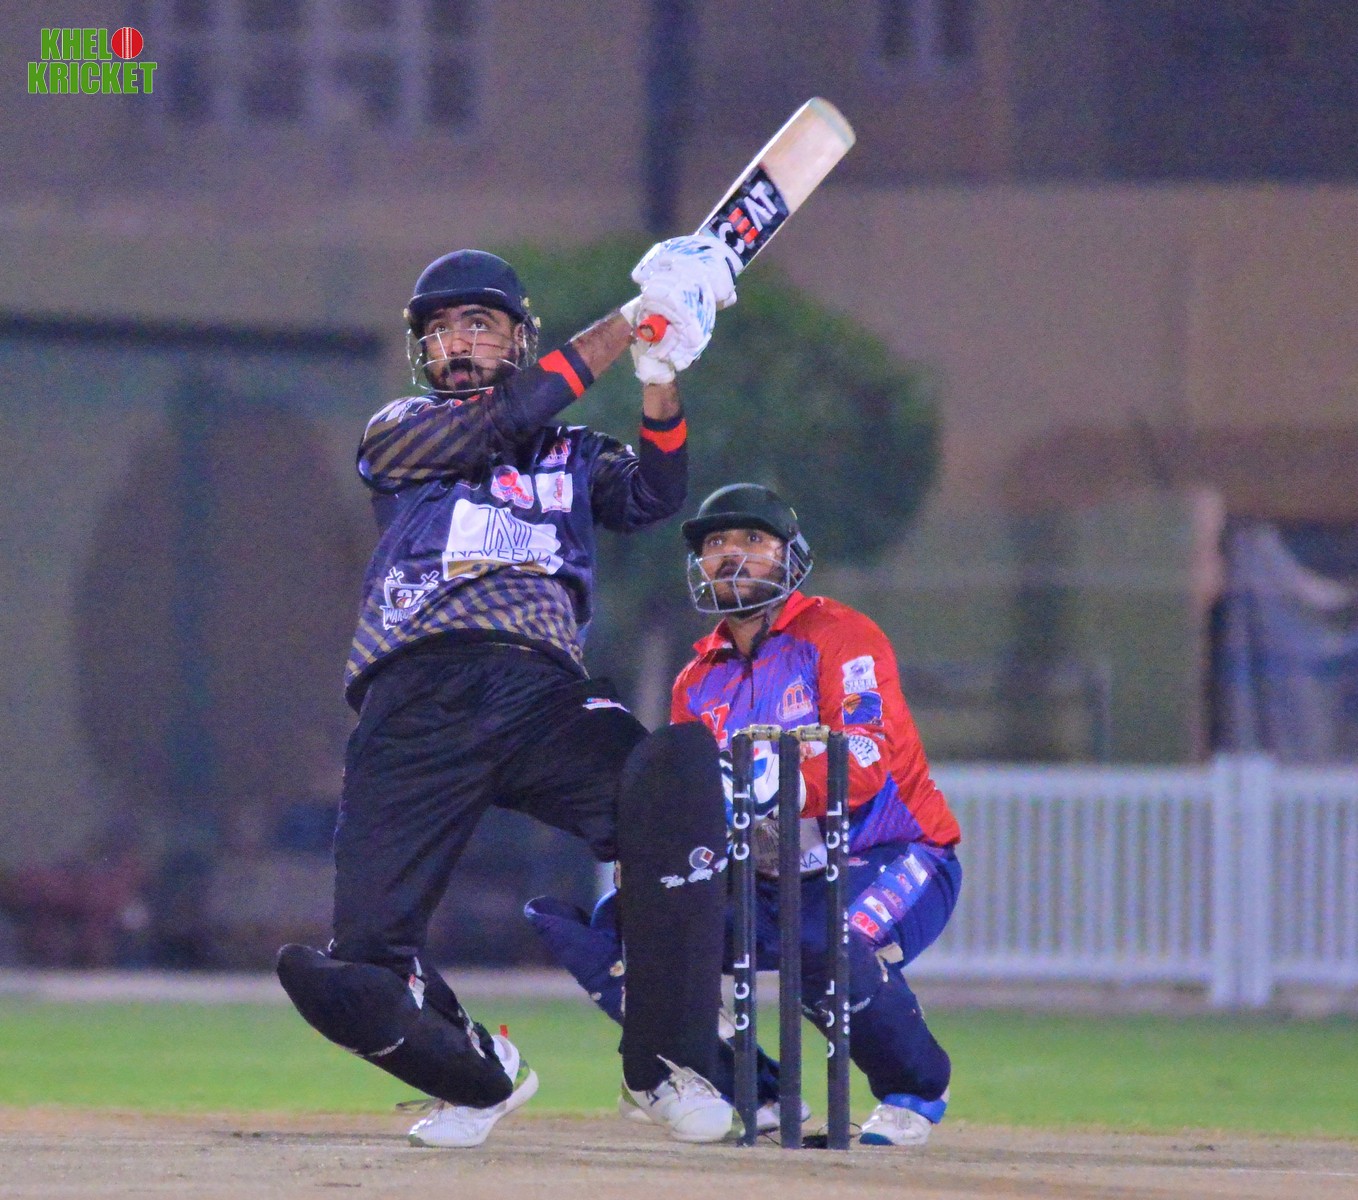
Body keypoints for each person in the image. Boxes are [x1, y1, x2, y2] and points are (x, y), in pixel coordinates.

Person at [276, 236, 749, 1148]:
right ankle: (477, 1077)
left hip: (540, 691)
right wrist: (631, 318)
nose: (458, 342)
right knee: (359, 969)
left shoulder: (572, 453)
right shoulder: (398, 430)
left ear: (518, 338)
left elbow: (653, 497)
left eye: (479, 324)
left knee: (673, 782)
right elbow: (503, 419)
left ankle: (662, 1064)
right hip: (413, 694)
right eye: (441, 329)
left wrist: (660, 378)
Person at [528, 483, 962, 1146]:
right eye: (716, 544)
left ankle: (918, 1086)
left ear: (790, 555)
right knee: (633, 927)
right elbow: (693, 801)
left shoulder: (841, 635)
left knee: (824, 946)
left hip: (892, 852)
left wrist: (767, 784)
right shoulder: (695, 680)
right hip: (768, 876)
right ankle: (750, 1091)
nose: (732, 555)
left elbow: (865, 759)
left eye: (753, 540)